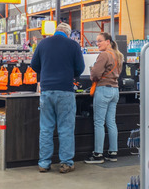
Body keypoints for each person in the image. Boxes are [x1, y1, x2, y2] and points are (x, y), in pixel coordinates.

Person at [30, 22, 85, 174]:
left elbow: (34, 65)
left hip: (46, 91)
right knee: (66, 128)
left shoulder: (43, 44)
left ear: (56, 32)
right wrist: (69, 73)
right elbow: (80, 67)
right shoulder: (72, 45)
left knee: (46, 128)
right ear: (68, 34)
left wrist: (47, 70)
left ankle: (44, 163)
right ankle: (66, 163)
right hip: (65, 91)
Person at [85, 32, 124, 164]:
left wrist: (92, 76)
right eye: (97, 41)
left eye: (100, 41)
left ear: (108, 41)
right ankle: (113, 153)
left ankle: (98, 154)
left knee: (99, 123)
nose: (98, 44)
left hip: (103, 89)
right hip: (114, 90)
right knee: (111, 122)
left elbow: (95, 73)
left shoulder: (104, 55)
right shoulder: (118, 55)